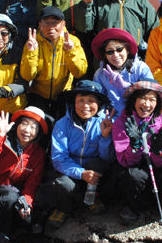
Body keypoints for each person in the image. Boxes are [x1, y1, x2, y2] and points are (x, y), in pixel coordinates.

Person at [40, 80, 115, 231]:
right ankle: (64, 208)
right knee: (62, 183)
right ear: (74, 102)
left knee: (100, 166)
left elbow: (108, 159)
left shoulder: (105, 123)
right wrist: (81, 173)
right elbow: (59, 158)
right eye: (81, 100)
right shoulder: (62, 124)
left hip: (92, 171)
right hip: (70, 171)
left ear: (99, 104)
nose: (85, 106)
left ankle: (93, 198)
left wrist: (105, 137)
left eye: (91, 101)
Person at [113, 80, 162, 225]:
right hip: (136, 166)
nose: (147, 104)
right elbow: (124, 161)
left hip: (158, 167)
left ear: (157, 103)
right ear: (134, 100)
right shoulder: (122, 122)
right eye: (143, 98)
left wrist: (157, 151)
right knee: (132, 175)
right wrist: (135, 145)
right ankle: (134, 207)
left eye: (152, 99)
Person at [0, 107, 49, 243]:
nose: (27, 130)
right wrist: (0, 134)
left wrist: (26, 203)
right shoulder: (4, 142)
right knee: (9, 195)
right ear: (17, 125)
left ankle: (13, 227)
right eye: (24, 124)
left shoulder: (38, 153)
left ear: (39, 132)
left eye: (34, 127)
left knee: (26, 219)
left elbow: (32, 184)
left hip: (17, 194)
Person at [20, 6, 87, 117]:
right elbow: (27, 76)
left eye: (55, 23)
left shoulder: (73, 41)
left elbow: (80, 72)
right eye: (46, 23)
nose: (51, 27)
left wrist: (70, 51)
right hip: (38, 95)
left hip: (64, 95)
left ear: (63, 24)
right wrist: (31, 52)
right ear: (40, 24)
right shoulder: (33, 42)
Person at [91, 27, 154, 115]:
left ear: (127, 50)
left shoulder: (141, 68)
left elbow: (151, 96)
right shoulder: (100, 74)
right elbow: (98, 101)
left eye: (119, 49)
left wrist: (128, 87)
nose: (115, 55)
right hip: (113, 119)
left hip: (139, 116)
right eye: (110, 52)